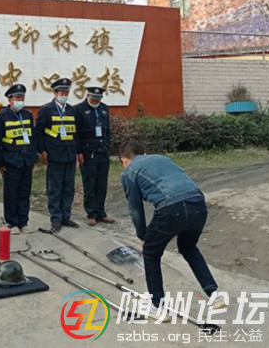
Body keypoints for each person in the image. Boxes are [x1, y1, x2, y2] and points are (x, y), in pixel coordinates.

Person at [119, 141, 225, 320]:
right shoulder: (162, 158)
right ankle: (214, 294)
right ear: (144, 154)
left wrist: (143, 236)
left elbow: (135, 209)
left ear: (124, 160)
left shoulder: (129, 172)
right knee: (189, 248)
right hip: (198, 203)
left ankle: (157, 306)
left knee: (151, 253)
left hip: (171, 208)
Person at [35, 78, 79, 232]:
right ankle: (56, 219)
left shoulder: (72, 110)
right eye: (61, 92)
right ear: (55, 93)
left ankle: (66, 216)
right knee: (55, 189)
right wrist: (42, 151)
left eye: (66, 93)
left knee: (68, 188)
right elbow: (38, 132)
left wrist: (77, 152)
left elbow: (76, 133)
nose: (64, 95)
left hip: (69, 155)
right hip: (54, 155)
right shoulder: (46, 110)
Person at [0, 84, 36, 234]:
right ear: (10, 100)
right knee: (11, 193)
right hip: (11, 160)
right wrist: (0, 163)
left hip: (26, 159)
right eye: (17, 98)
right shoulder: (2, 116)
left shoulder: (27, 115)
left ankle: (23, 222)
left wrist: (33, 158)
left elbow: (32, 137)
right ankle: (11, 221)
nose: (20, 101)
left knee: (24, 192)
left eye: (22, 98)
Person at [74, 86, 115, 226]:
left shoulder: (104, 108)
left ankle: (101, 212)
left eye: (98, 99)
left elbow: (107, 130)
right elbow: (76, 134)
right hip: (88, 152)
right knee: (90, 184)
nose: (96, 102)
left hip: (102, 151)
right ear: (88, 96)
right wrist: (79, 152)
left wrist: (107, 145)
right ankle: (91, 213)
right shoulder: (79, 109)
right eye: (93, 99)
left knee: (102, 184)